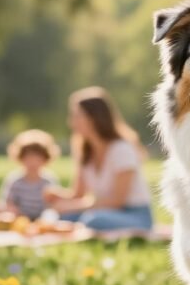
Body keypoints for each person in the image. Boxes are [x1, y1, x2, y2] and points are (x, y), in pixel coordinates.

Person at [45, 86, 153, 231]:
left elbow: (118, 201)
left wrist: (72, 206)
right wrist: (57, 196)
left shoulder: (121, 149)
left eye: (77, 116)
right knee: (58, 216)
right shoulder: (84, 151)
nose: (71, 122)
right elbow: (78, 195)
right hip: (103, 211)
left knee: (94, 220)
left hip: (134, 214)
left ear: (94, 118)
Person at [0, 130, 60, 220]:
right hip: (20, 219)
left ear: (45, 159)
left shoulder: (48, 180)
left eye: (37, 159)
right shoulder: (15, 180)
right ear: (21, 158)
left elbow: (53, 205)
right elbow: (8, 203)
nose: (33, 163)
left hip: (42, 220)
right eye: (29, 158)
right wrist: (14, 211)